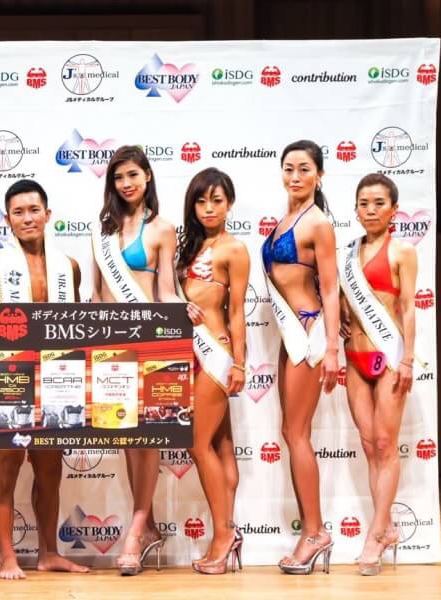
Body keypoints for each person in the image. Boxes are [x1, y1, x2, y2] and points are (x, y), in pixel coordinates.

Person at [0, 179, 88, 580]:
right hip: (12, 377)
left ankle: (49, 553)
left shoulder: (69, 267)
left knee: (50, 470)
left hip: (58, 376)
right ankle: (7, 557)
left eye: (34, 210)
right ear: (8, 219)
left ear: (48, 215)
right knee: (7, 468)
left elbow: (75, 325)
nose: (28, 218)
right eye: (18, 212)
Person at [90, 145, 197, 575]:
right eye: (119, 177)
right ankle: (147, 524)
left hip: (150, 343)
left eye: (133, 174)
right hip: (110, 345)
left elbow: (165, 290)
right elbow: (97, 295)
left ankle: (135, 530)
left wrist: (185, 309)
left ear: (147, 176)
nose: (126, 183)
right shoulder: (101, 231)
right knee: (127, 437)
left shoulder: (162, 229)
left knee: (149, 437)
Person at [261, 140, 339, 574]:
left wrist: (332, 348)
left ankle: (315, 532)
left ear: (319, 176)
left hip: (308, 335)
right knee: (290, 432)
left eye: (304, 169)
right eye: (288, 168)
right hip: (288, 336)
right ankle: (311, 530)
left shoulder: (318, 223)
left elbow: (329, 288)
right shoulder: (284, 221)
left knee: (297, 433)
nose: (295, 176)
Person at [339, 173, 417, 576]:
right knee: (370, 446)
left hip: (388, 358)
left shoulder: (402, 251)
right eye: (364, 203)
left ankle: (375, 534)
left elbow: (409, 307)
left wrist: (408, 360)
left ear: (394, 210)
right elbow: (340, 302)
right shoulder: (347, 255)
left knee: (386, 443)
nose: (370, 210)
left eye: (378, 203)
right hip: (354, 359)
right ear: (356, 209)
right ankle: (384, 527)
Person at [177, 168, 249, 574]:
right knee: (221, 445)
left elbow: (236, 311)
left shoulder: (234, 249)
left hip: (215, 354)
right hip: (186, 354)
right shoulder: (186, 247)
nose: (208, 208)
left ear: (229, 204)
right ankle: (226, 533)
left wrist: (239, 361)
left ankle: (223, 535)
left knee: (197, 443)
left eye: (217, 201)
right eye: (201, 201)